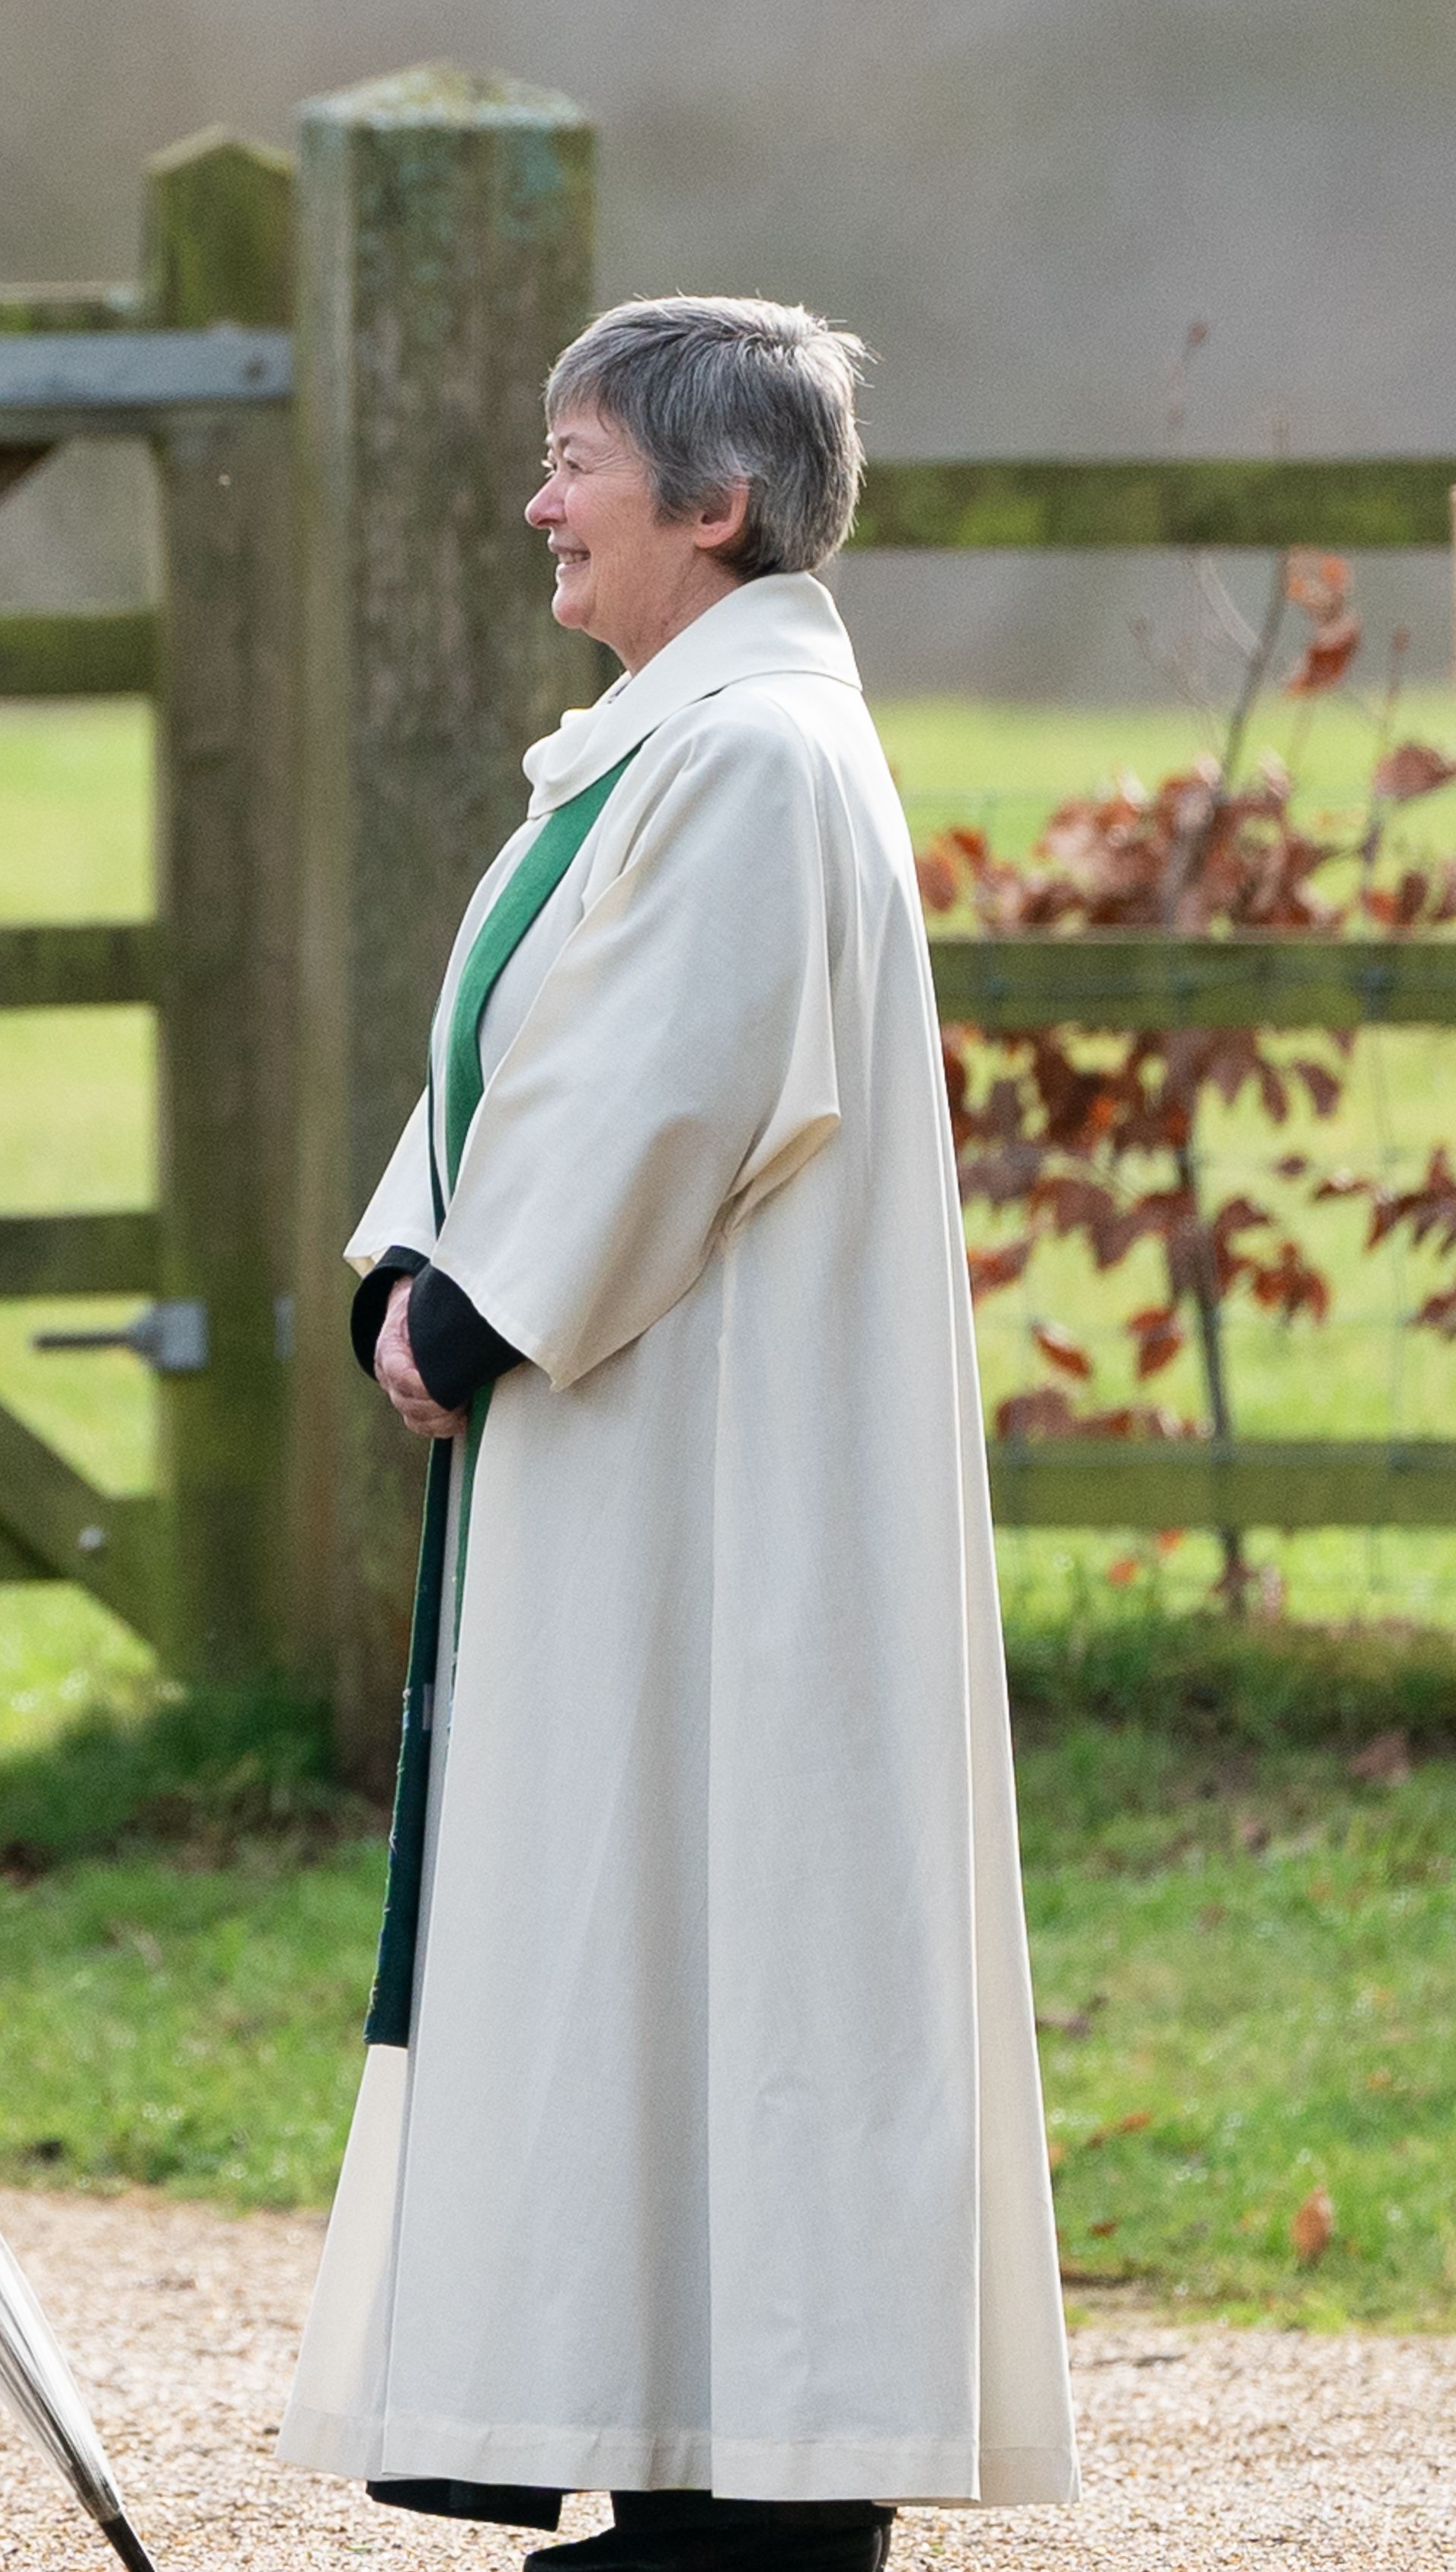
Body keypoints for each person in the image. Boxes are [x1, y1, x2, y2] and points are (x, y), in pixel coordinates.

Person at [279, 296, 1079, 2570]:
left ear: (713, 506)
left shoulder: (746, 763)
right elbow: (545, 1062)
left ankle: (760, 2493)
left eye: (577, 460)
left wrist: (472, 1303)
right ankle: (689, 2457)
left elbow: (659, 1091)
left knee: (736, 1921)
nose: (540, 500)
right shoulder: (679, 741)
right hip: (648, 1453)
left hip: (717, 1482)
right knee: (655, 1931)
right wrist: (418, 1256)